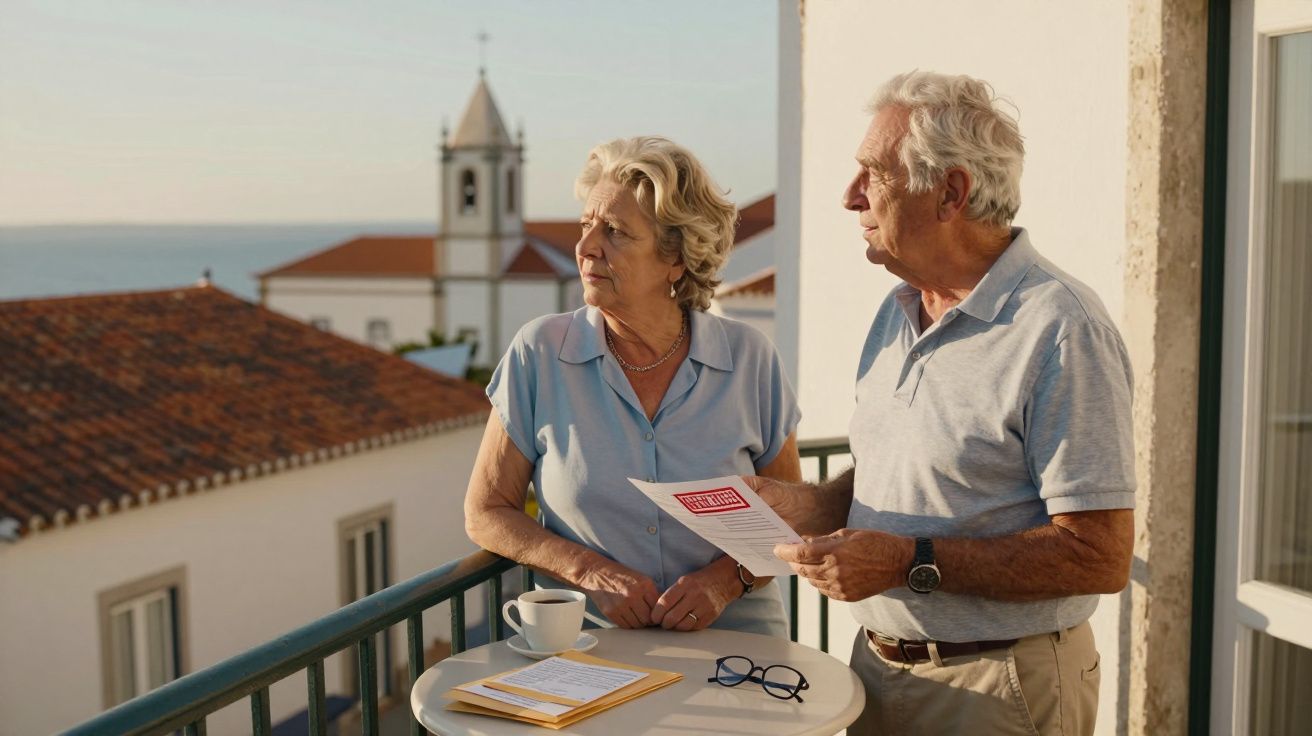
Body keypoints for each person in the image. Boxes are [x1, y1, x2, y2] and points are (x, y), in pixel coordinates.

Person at [753, 72, 1135, 735]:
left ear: (951, 193)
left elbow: (1098, 555)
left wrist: (905, 562)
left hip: (997, 686)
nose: (851, 196)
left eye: (874, 173)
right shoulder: (898, 309)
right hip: (875, 672)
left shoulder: (1061, 327)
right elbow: (914, 468)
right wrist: (808, 506)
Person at [465, 136, 802, 637]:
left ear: (676, 258)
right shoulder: (539, 353)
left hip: (739, 650)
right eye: (585, 225)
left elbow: (792, 515)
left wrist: (723, 582)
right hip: (586, 647)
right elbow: (486, 512)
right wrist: (586, 571)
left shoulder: (749, 358)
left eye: (615, 232)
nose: (586, 247)